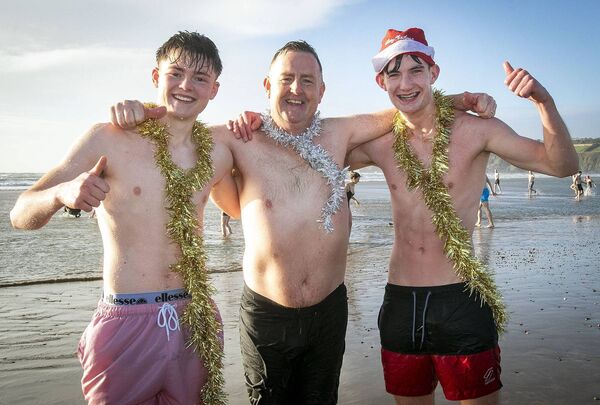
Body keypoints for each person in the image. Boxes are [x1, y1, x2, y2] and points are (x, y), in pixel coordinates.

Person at [111, 40, 496, 404]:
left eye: (307, 81)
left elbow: (403, 111)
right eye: (286, 79)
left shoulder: (339, 132)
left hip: (328, 312)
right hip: (266, 313)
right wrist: (141, 112)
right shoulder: (237, 137)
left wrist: (460, 100)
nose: (296, 89)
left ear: (322, 91)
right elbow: (180, 134)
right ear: (267, 86)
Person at [345, 27, 578, 404]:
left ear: (434, 73)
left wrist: (543, 101)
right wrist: (453, 99)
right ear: (381, 82)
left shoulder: (476, 131)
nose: (405, 82)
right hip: (400, 304)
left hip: (461, 299)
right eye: (394, 73)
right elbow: (320, 150)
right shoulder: (380, 143)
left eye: (416, 70)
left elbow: (562, 163)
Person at [10, 32, 240, 405]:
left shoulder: (218, 153)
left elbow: (239, 209)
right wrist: (61, 194)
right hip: (126, 319)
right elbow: (20, 213)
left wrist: (251, 125)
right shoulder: (108, 138)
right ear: (155, 77)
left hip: (194, 317)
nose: (185, 85)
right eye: (175, 73)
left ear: (214, 89)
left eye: (200, 77)